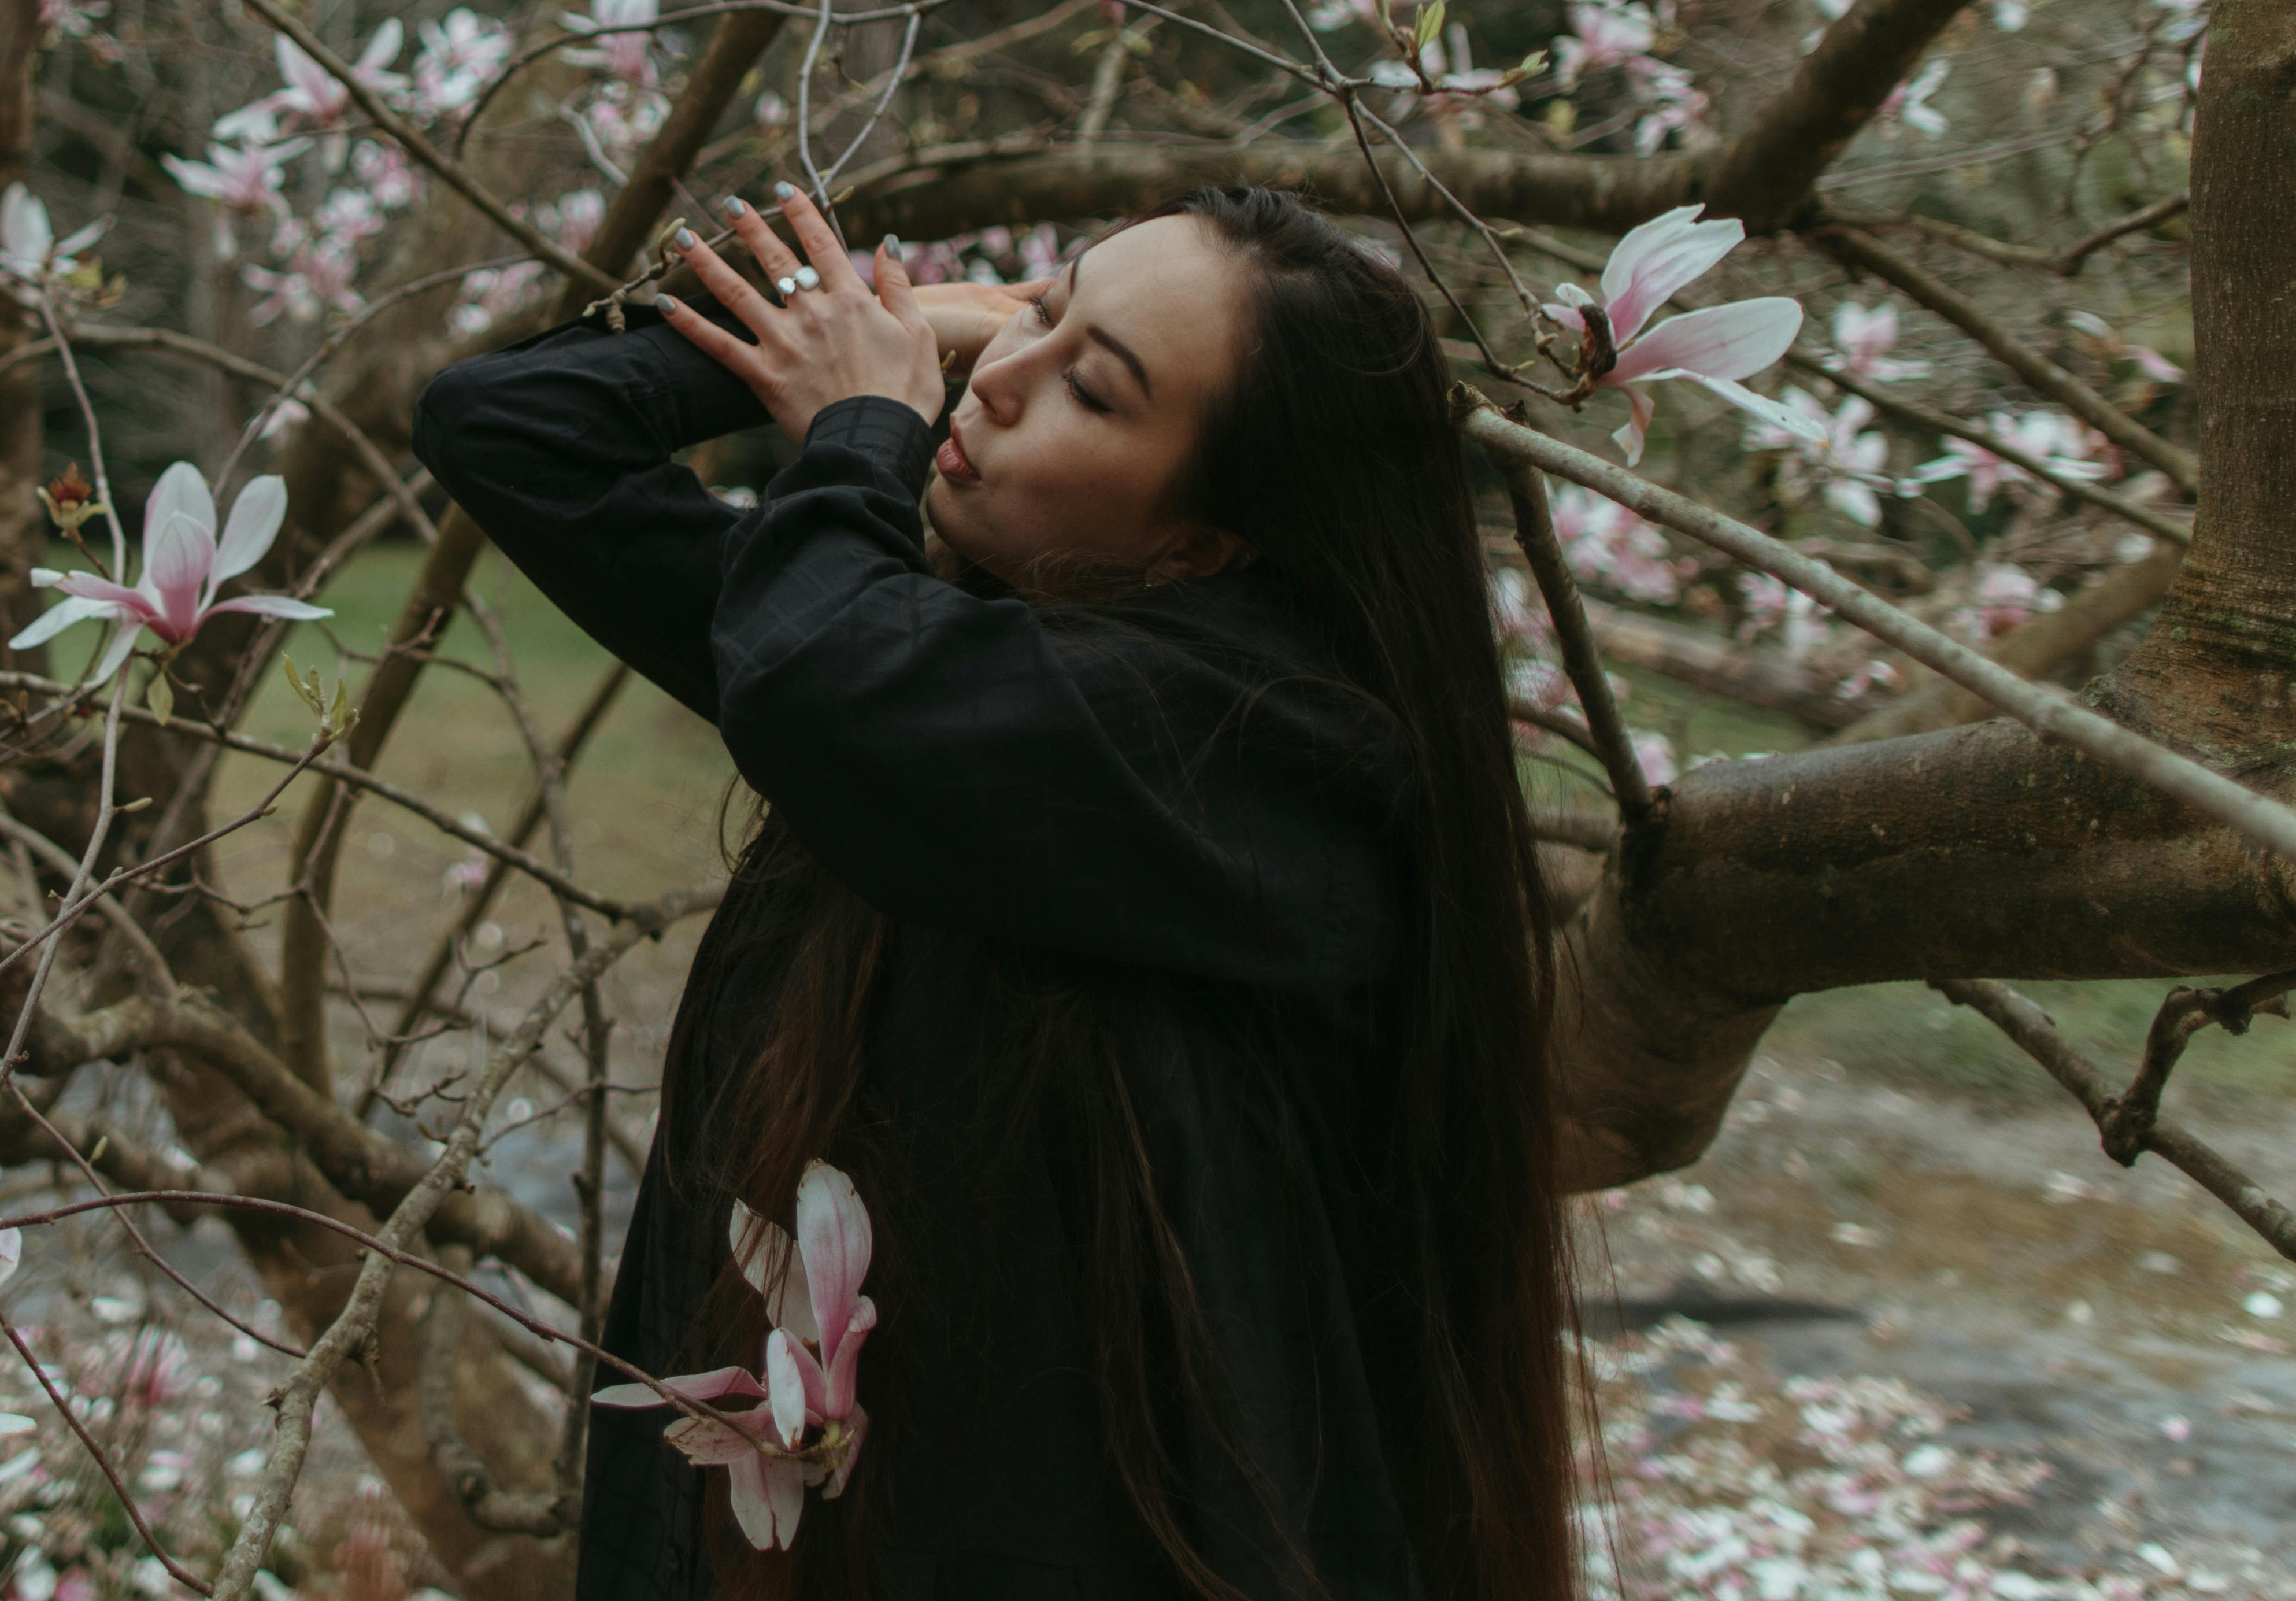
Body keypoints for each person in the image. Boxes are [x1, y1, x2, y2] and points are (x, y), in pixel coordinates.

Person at [408, 183, 1577, 1600]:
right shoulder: (935, 654)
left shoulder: (1266, 756)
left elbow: (822, 675)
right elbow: (503, 424)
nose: (1003, 380)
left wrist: (863, 428)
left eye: (1088, 383)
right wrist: (935, 332)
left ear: (1209, 544)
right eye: (1045, 301)